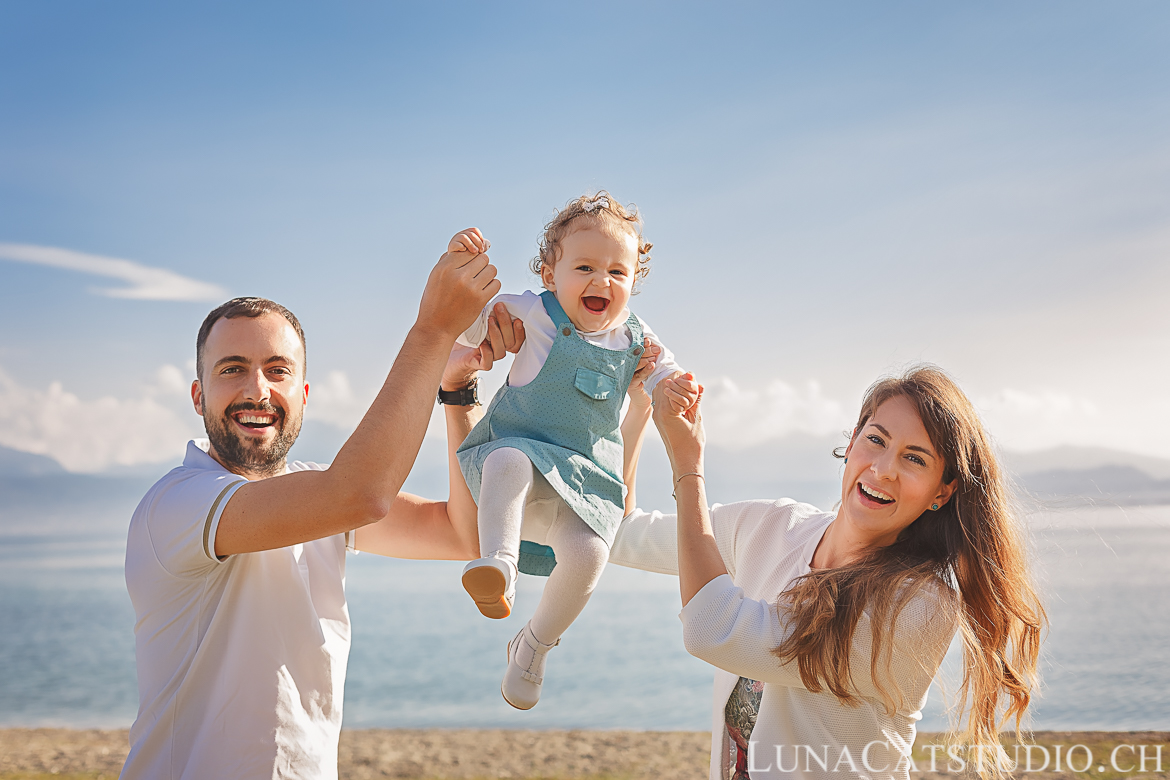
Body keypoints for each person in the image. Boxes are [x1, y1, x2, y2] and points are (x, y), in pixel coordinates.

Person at [120, 241, 525, 780]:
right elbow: (358, 494)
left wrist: (455, 390)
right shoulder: (180, 505)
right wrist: (431, 332)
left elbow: (462, 535)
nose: (257, 390)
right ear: (198, 397)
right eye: (232, 369)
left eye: (277, 370)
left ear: (305, 393)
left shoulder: (312, 496)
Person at [609, 366, 1046, 780]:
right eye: (876, 439)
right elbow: (620, 533)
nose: (883, 469)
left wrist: (688, 468)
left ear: (942, 491)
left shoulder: (920, 607)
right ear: (852, 440)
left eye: (915, 459)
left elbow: (713, 629)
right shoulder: (771, 526)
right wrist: (638, 407)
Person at [450, 192, 685, 710]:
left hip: (579, 488)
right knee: (509, 459)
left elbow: (668, 372)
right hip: (515, 472)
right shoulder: (536, 312)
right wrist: (462, 266)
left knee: (589, 553)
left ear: (633, 283)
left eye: (617, 272)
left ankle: (533, 646)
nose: (602, 281)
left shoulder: (636, 341)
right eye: (585, 267)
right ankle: (498, 565)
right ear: (550, 274)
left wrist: (672, 387)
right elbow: (466, 315)